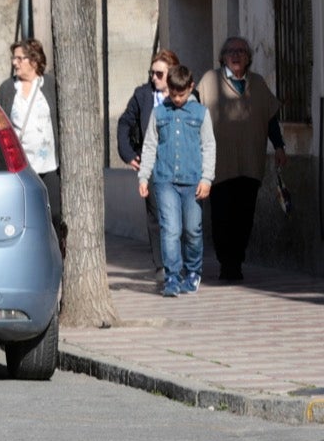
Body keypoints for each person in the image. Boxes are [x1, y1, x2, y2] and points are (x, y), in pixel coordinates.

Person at [196, 36, 286, 283]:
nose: (236, 55)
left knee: (244, 217)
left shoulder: (257, 83)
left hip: (250, 163)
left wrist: (279, 146)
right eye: (230, 51)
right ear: (222, 57)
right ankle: (228, 264)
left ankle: (236, 261)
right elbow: (194, 116)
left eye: (241, 51)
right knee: (222, 217)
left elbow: (271, 119)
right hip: (219, 165)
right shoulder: (208, 81)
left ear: (248, 57)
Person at [137, 66, 214, 297]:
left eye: (182, 94)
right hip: (165, 180)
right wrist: (144, 176)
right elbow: (150, 145)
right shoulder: (159, 113)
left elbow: (209, 146)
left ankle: (193, 271)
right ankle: (172, 276)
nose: (178, 99)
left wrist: (207, 178)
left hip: (193, 181)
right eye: (173, 93)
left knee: (192, 229)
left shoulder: (201, 113)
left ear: (190, 88)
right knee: (170, 229)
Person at [117, 50, 180, 277]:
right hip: (152, 163)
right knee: (156, 214)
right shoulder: (143, 95)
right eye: (152, 73)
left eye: (159, 74)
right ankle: (163, 265)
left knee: (178, 214)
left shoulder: (186, 94)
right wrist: (127, 152)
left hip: (180, 163)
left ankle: (177, 260)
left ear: (172, 74)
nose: (154, 78)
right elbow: (125, 122)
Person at [0, 39, 63, 252]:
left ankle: (56, 254)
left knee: (54, 214)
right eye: (14, 58)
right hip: (22, 167)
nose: (14, 63)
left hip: (49, 164)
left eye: (19, 58)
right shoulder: (8, 89)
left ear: (33, 61)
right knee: (24, 215)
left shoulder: (50, 85)